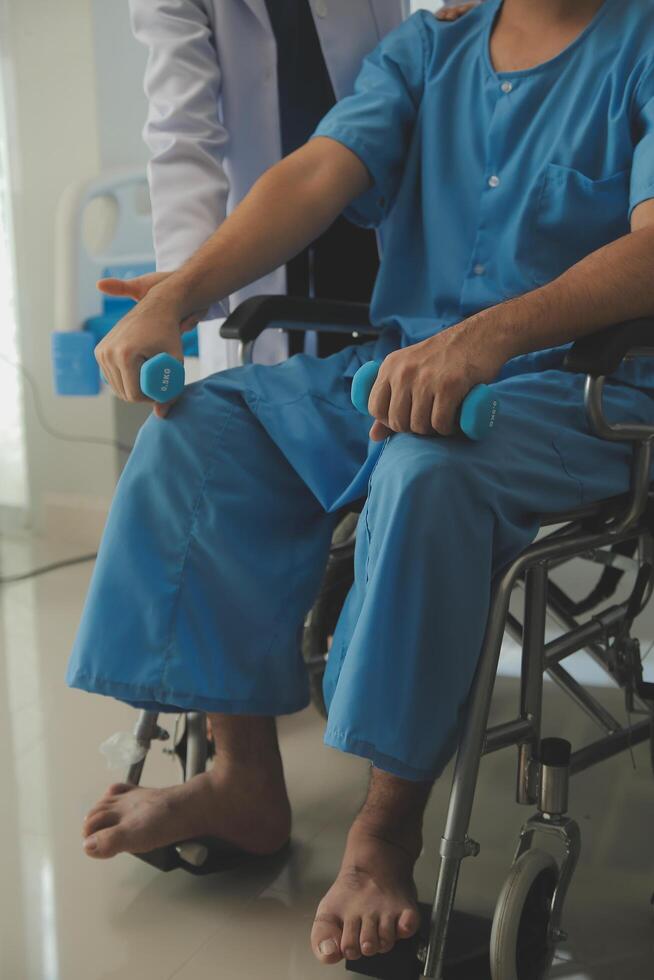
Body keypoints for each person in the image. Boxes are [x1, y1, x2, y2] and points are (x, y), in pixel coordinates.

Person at [69, 0, 654, 967]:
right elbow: (312, 176)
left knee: (429, 472)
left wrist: (491, 336)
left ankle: (384, 834)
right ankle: (242, 778)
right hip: (403, 367)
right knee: (201, 430)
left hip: (575, 391)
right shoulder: (430, 50)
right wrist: (176, 297)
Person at [118, 0, 478, 368]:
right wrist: (181, 289)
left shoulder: (417, 56)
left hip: (376, 194)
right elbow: (182, 131)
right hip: (265, 232)